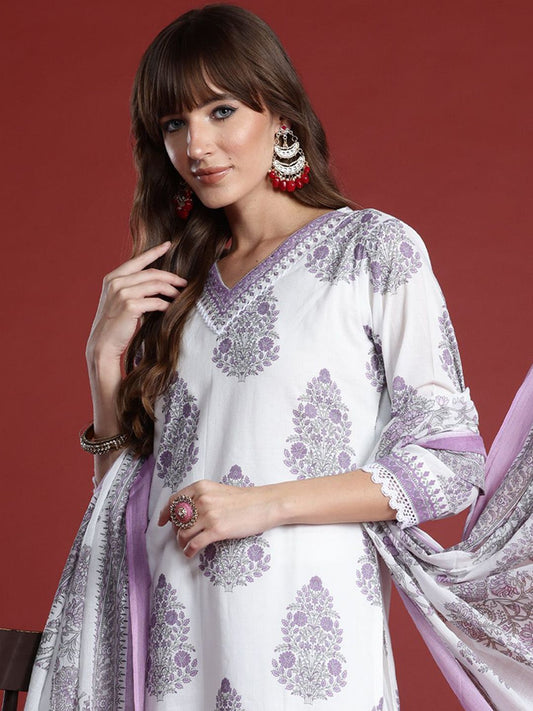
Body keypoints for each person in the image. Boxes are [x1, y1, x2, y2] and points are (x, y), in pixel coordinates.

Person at [26, 5, 533, 711]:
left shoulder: (370, 251)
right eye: (173, 124)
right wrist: (102, 361)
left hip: (307, 642)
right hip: (175, 640)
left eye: (221, 111)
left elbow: (449, 466)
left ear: (280, 117)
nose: (197, 145)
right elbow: (122, 509)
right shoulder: (173, 287)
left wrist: (261, 504)